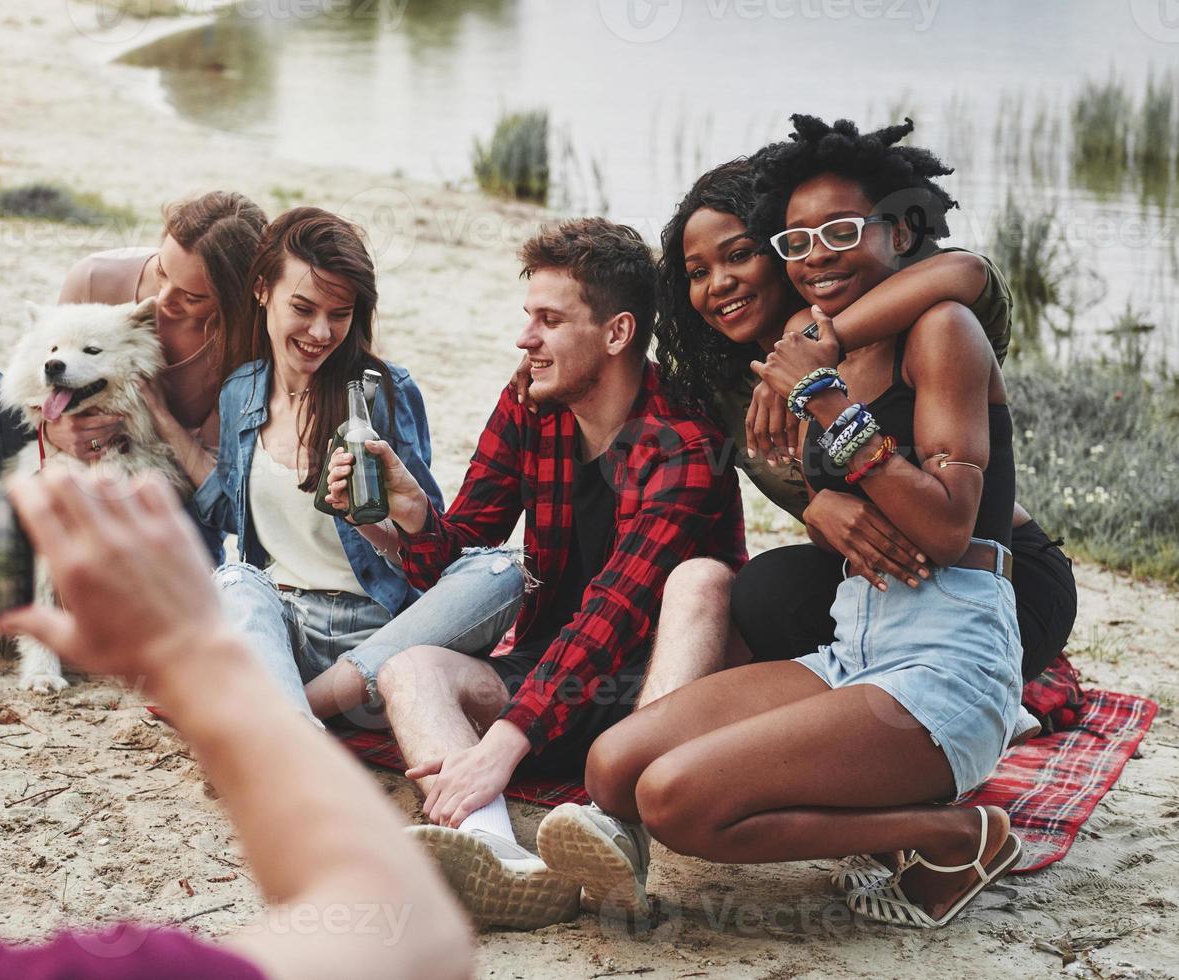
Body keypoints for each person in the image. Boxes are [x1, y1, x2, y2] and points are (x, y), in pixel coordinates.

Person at [0, 308, 472, 980]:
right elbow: (416, 934)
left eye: (197, 291)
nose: (177, 298)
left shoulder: (242, 353)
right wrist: (195, 660)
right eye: (169, 278)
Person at [553, 116, 1030, 931]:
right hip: (855, 645)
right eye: (797, 241)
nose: (816, 256)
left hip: (948, 660)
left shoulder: (939, 331)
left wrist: (826, 399)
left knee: (674, 800)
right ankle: (890, 806)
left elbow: (949, 528)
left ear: (901, 230)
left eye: (841, 233)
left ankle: (958, 832)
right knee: (613, 767)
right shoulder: (811, 348)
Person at [331, 218, 745, 930]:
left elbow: (616, 609)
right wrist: (404, 513)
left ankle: (618, 827)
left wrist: (501, 744)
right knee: (409, 670)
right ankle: (494, 852)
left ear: (616, 334)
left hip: (668, 697)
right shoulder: (531, 404)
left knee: (701, 580)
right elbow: (457, 556)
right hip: (559, 679)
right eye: (530, 318)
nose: (527, 339)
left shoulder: (682, 443)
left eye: (549, 321)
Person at [651, 153, 1077, 685]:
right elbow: (843, 518)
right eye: (697, 272)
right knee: (764, 592)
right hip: (886, 577)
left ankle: (972, 694)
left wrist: (811, 352)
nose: (720, 283)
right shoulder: (727, 389)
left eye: (741, 255)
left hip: (994, 569)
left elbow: (968, 271)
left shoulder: (908, 327)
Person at [0, 190, 268, 695]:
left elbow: (223, 491)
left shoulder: (248, 340)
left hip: (171, 481)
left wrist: (158, 420)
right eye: (163, 272)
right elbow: (50, 367)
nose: (164, 299)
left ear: (236, 294)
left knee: (186, 609)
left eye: (192, 295)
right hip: (60, 439)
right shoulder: (96, 277)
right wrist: (50, 423)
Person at [193, 207, 523, 728]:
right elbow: (223, 510)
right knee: (235, 577)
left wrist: (370, 522)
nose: (321, 332)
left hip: (381, 646)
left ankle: (300, 714)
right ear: (262, 291)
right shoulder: (241, 392)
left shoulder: (384, 393)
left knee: (503, 570)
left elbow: (429, 555)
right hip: (285, 636)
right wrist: (156, 422)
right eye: (303, 308)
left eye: (340, 314)